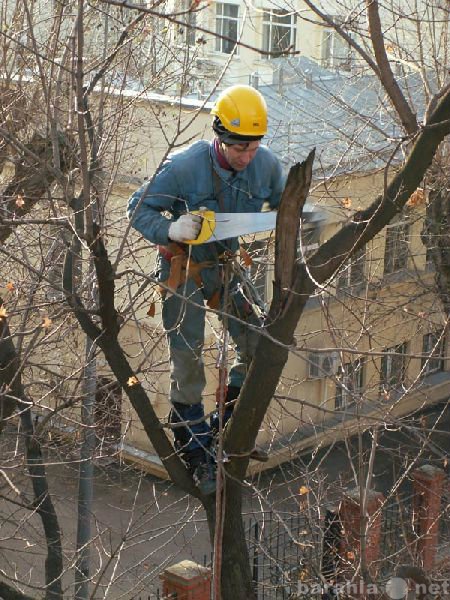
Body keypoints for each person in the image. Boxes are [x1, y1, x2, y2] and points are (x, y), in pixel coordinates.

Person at [127, 85, 284, 494]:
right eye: (237, 148)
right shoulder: (186, 166)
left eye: (251, 148)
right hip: (185, 268)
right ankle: (195, 449)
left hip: (227, 264)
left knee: (260, 344)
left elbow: (286, 205)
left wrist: (302, 217)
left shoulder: (264, 165)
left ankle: (223, 431)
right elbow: (138, 207)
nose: (245, 157)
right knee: (188, 358)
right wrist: (169, 229)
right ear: (219, 135)